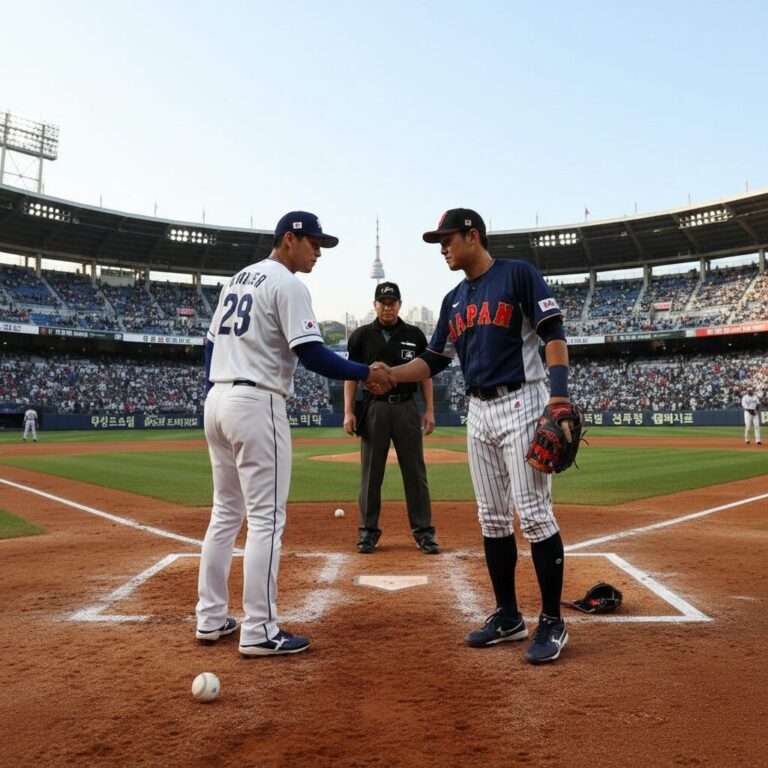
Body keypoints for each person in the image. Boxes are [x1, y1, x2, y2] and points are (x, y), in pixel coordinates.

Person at [196, 211, 394, 657]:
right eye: (314, 243)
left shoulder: (236, 280)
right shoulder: (287, 284)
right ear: (290, 240)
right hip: (256, 401)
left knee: (225, 513)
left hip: (218, 400)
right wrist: (367, 373)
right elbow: (312, 354)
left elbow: (209, 346)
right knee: (266, 518)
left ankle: (210, 619)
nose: (319, 252)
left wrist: (222, 385)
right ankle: (259, 629)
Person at [387, 208, 577, 665]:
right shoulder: (453, 299)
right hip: (478, 410)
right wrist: (388, 375)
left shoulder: (518, 276)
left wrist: (558, 398)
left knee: (532, 514)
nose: (443, 248)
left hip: (523, 401)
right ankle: (508, 616)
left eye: (448, 239)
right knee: (492, 518)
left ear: (473, 235)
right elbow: (433, 360)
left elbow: (553, 335)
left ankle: (552, 620)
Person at [343, 281, 439, 555]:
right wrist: (349, 411)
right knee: (371, 475)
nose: (388, 306)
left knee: (415, 473)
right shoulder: (361, 336)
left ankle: (424, 533)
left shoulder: (415, 334)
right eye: (383, 302)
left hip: (407, 407)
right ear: (375, 305)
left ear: (399, 304)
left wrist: (429, 409)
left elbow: (425, 374)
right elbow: (351, 375)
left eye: (392, 302)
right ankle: (367, 533)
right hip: (374, 408)